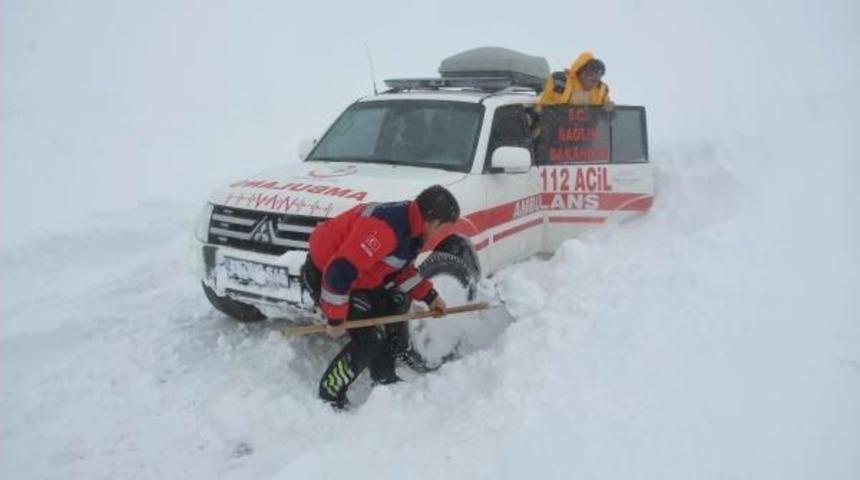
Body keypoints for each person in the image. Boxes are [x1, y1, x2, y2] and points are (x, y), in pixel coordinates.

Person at [300, 185, 460, 410]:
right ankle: (330, 393)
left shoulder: (413, 229)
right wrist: (336, 318)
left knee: (388, 314)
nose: (441, 232)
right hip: (327, 276)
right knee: (370, 336)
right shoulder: (386, 229)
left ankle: (383, 378)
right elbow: (338, 272)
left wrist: (430, 296)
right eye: (443, 226)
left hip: (360, 277)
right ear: (433, 221)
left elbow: (400, 270)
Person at [536, 51, 615, 111]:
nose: (594, 78)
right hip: (556, 130)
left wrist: (610, 110)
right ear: (579, 71)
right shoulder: (561, 83)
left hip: (588, 131)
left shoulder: (601, 91)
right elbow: (544, 109)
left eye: (598, 75)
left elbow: (608, 120)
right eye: (590, 72)